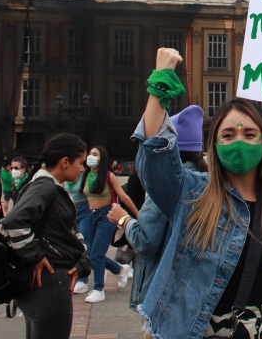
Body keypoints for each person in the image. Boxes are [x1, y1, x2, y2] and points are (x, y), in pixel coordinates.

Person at [133, 47, 262, 338]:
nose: (238, 141)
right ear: (214, 146)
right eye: (228, 135)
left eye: (249, 134)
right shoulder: (192, 193)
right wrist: (159, 84)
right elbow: (155, 155)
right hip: (198, 329)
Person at [108, 105, 207, 327]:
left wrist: (123, 219)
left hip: (162, 295)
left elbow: (146, 241)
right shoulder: (204, 179)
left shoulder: (167, 185)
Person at [1, 133, 92, 339]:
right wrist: (35, 255)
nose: (82, 168)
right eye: (80, 162)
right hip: (50, 283)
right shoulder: (45, 186)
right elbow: (13, 221)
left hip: (45, 284)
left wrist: (82, 261)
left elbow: (69, 232)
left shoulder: (51, 188)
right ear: (65, 162)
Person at [80, 146, 139, 303]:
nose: (91, 157)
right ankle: (120, 269)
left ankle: (99, 289)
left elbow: (124, 197)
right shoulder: (86, 174)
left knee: (97, 254)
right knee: (92, 254)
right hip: (89, 215)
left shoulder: (108, 176)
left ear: (101, 158)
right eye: (90, 154)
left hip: (106, 216)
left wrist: (137, 215)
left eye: (95, 154)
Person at [63, 162, 92, 294]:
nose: (79, 167)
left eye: (81, 164)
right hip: (72, 211)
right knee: (73, 246)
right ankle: (118, 268)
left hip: (85, 210)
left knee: (83, 245)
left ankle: (83, 279)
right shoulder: (69, 177)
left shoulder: (85, 176)